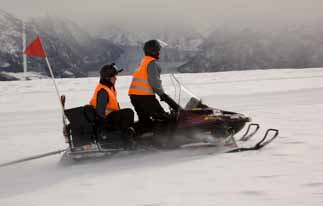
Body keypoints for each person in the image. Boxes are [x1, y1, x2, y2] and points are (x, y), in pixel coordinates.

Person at [128, 39, 179, 135]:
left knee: (145, 121)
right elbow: (154, 82)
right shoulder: (152, 63)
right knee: (162, 118)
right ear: (153, 51)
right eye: (158, 50)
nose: (159, 52)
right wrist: (163, 95)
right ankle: (164, 141)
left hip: (134, 96)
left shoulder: (144, 61)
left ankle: (133, 136)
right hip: (145, 97)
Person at [90, 63, 135, 140]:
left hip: (110, 117)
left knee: (126, 114)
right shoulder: (103, 91)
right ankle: (125, 139)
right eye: (114, 76)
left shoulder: (109, 88)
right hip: (105, 121)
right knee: (128, 112)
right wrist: (105, 127)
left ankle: (128, 135)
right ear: (107, 78)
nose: (116, 78)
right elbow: (100, 111)